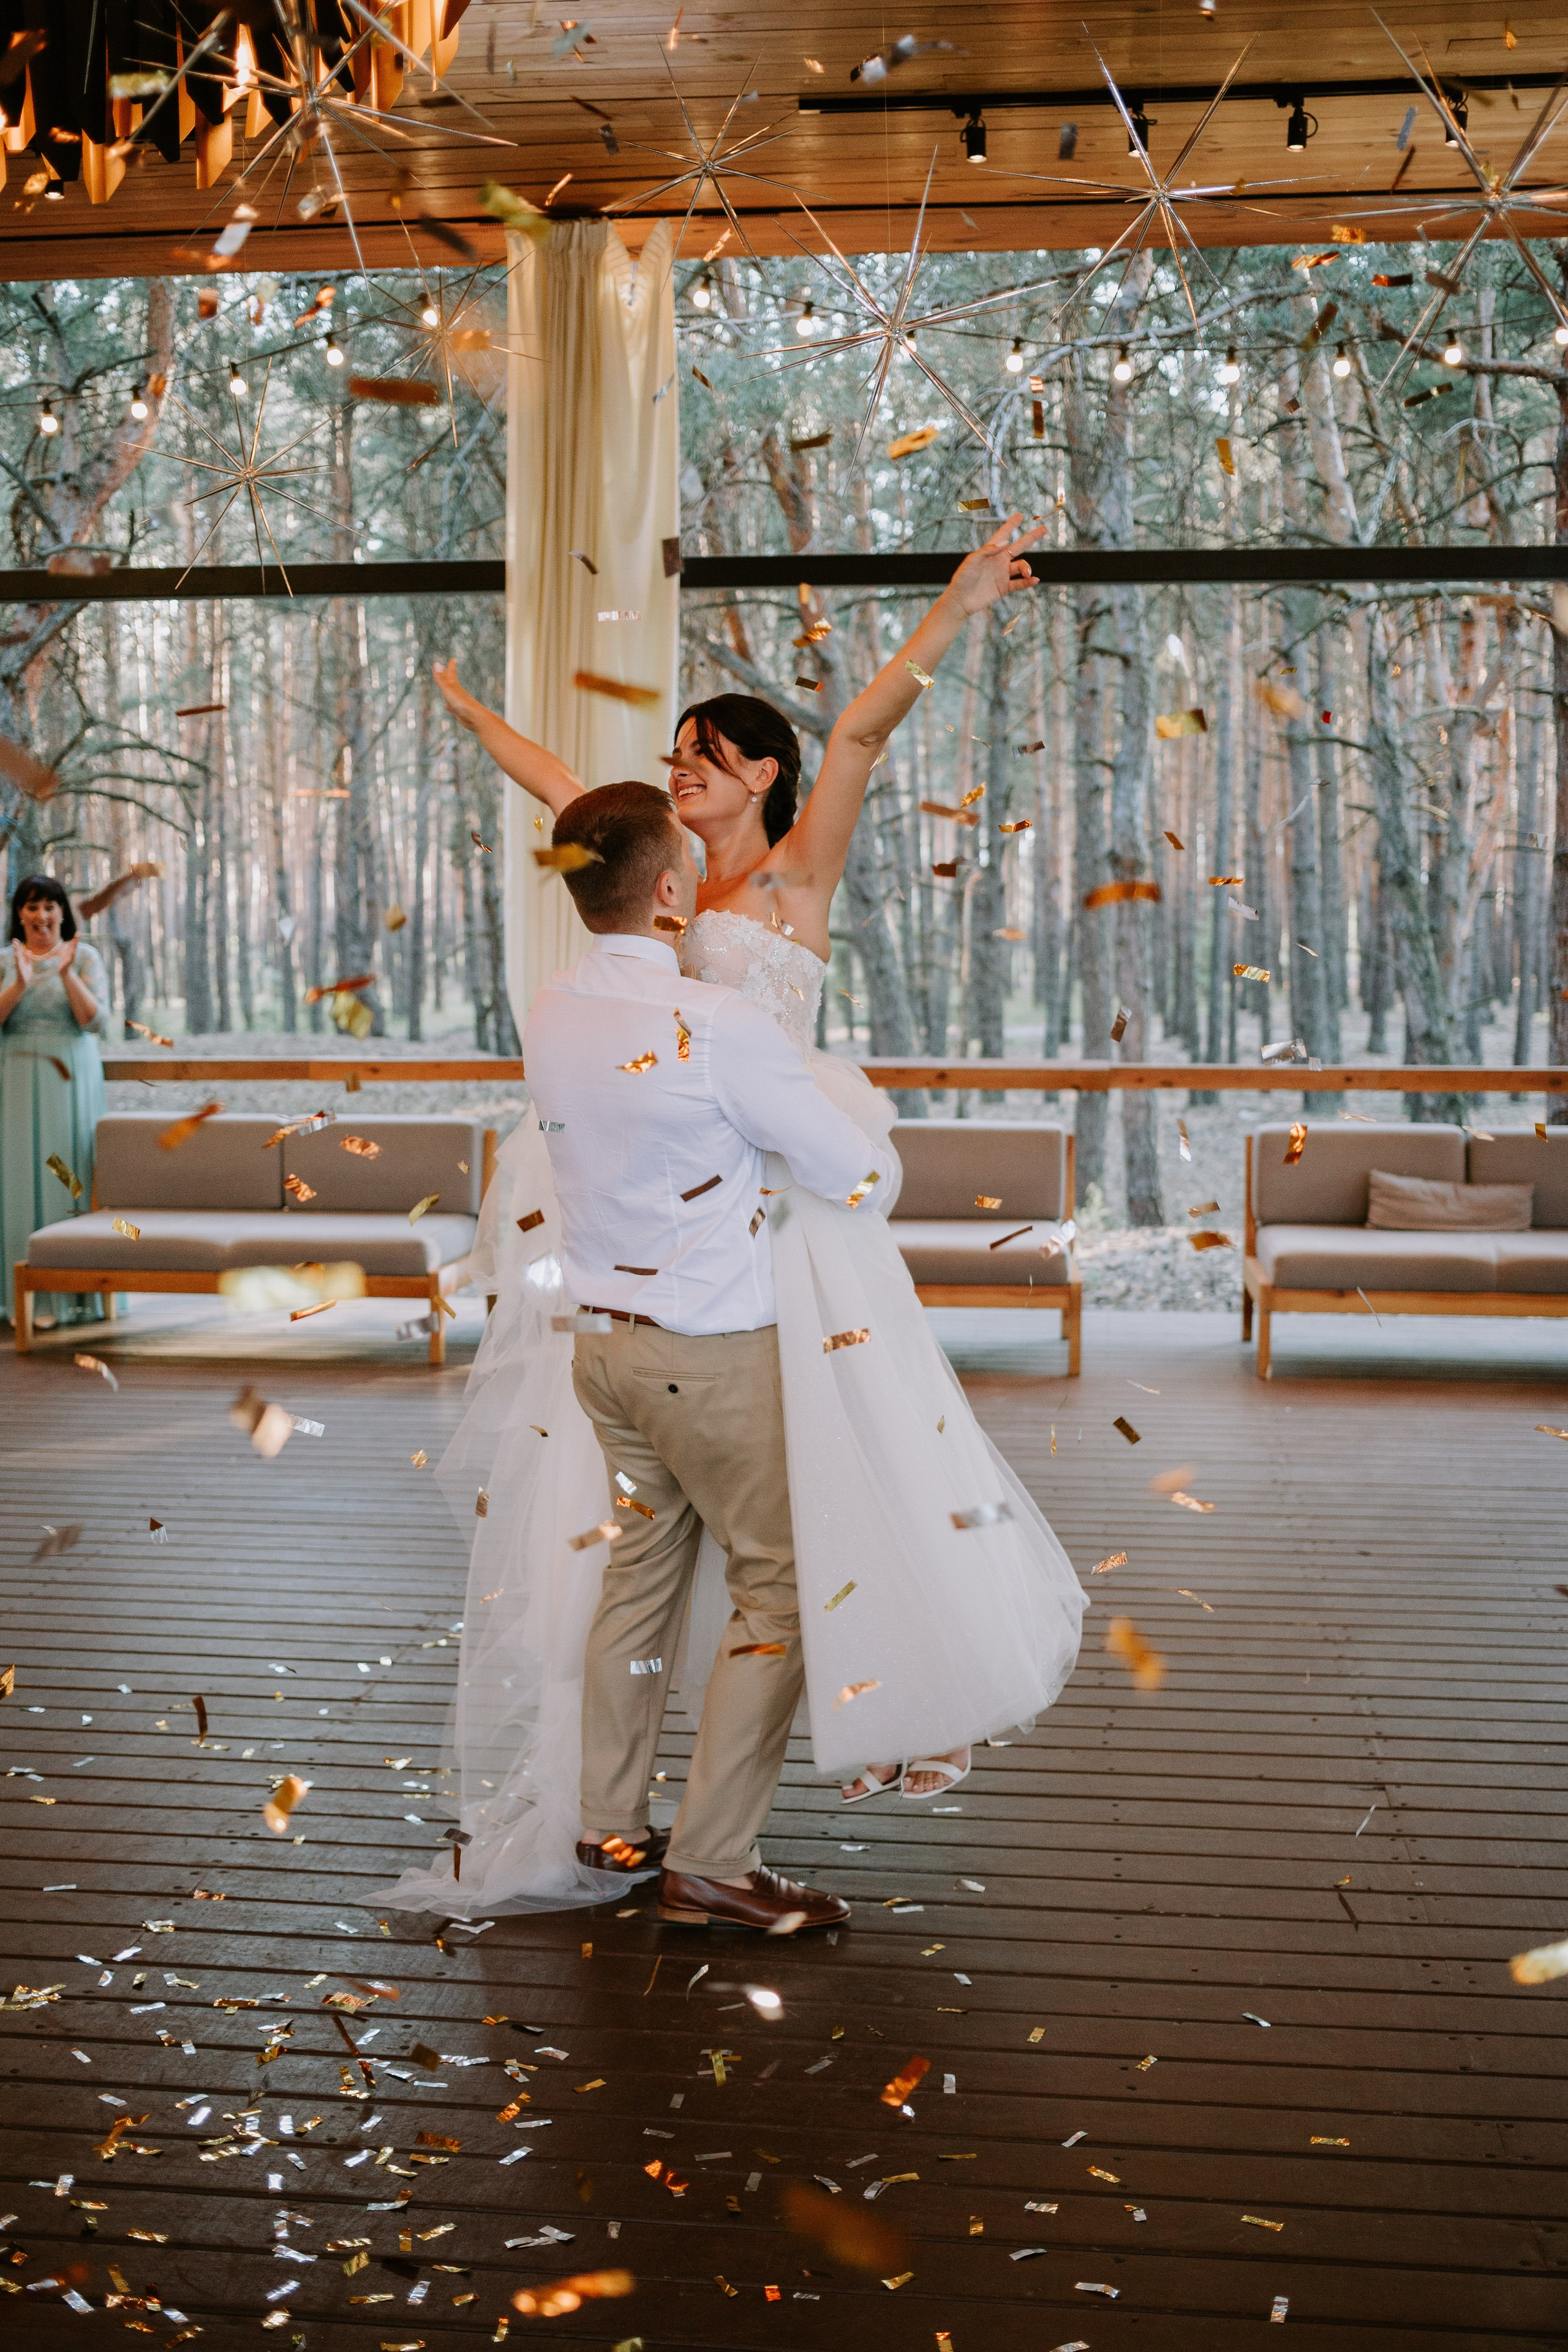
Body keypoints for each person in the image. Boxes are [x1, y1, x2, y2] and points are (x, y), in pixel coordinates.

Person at [379, 519, 1085, 1922]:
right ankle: (674, 1842)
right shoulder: (649, 881)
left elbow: (869, 724)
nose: (682, 765)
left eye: (707, 751)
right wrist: (476, 719)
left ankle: (742, 1779)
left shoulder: (784, 879)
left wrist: (958, 601)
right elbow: (562, 794)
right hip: (673, 1257)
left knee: (831, 1493)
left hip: (792, 1241)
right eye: (677, 752)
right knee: (698, 1555)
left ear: (760, 774)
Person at [0, 875, 115, 1329]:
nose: (41, 916)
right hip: (17, 1076)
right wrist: (19, 983)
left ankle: (77, 1296)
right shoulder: (5, 960)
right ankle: (19, 1296)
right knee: (18, 1175)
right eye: (31, 907)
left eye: (50, 906)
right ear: (20, 915)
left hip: (71, 1077)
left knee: (68, 1175)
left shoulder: (85, 957)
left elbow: (94, 1020)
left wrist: (65, 973)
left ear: (63, 913)